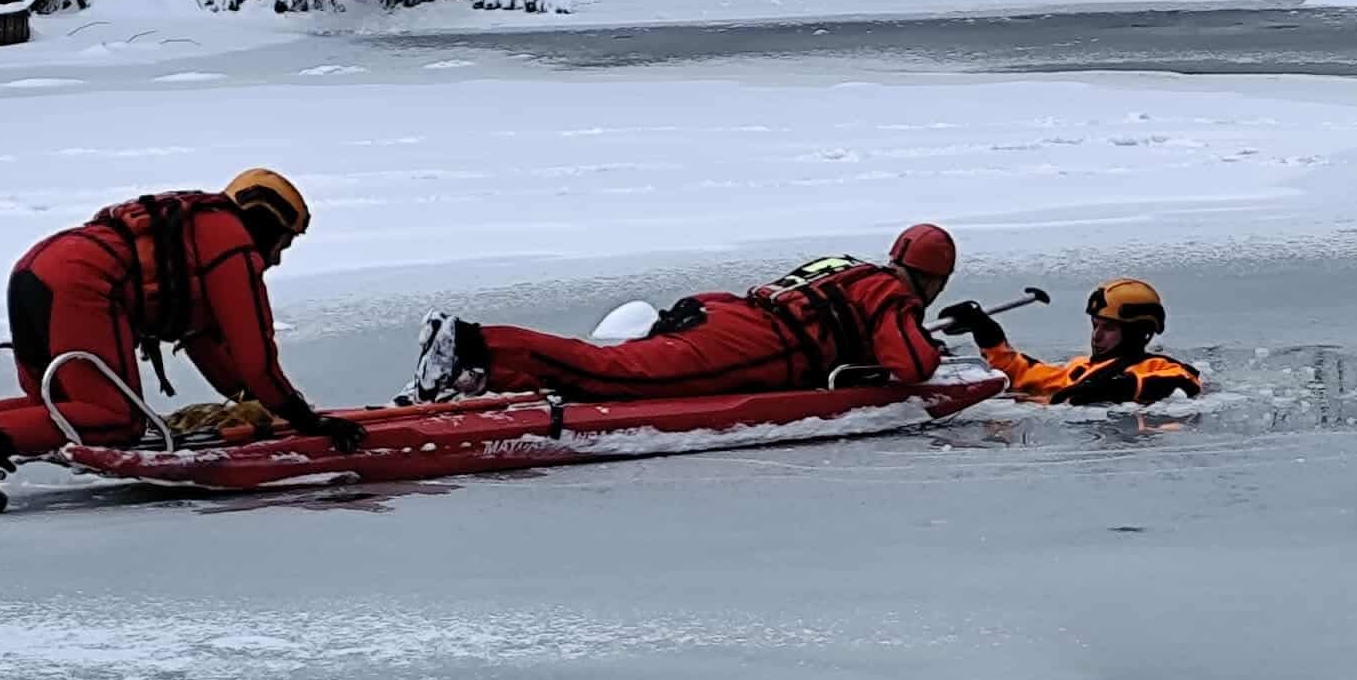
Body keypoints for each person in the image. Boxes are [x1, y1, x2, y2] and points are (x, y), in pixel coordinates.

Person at [0, 168, 363, 512]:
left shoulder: (196, 234)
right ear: (267, 223)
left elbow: (208, 348)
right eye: (283, 243)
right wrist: (307, 420)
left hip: (36, 269)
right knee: (115, 419)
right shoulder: (232, 246)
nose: (278, 259)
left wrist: (249, 402)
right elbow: (257, 356)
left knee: (55, 405)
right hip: (82, 281)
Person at [407, 224, 957, 403]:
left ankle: (481, 371)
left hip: (728, 314)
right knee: (611, 373)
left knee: (604, 366)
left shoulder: (851, 267)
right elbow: (910, 365)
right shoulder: (893, 293)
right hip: (751, 345)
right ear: (933, 279)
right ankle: (469, 342)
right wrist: (931, 345)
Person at [938, 277, 1201, 406]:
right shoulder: (1079, 368)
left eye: (1108, 328)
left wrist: (1116, 388)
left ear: (1136, 331)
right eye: (1095, 325)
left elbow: (1185, 381)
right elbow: (1022, 375)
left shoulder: (1153, 366)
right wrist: (985, 329)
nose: (1096, 335)